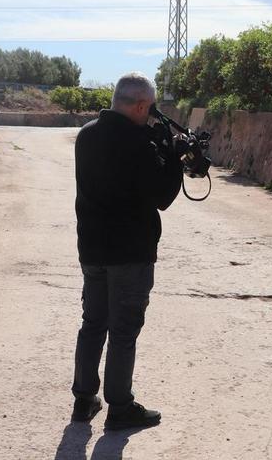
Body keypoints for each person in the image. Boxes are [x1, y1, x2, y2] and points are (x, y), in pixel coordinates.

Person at [70, 73, 183, 430]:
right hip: (130, 254)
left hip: (92, 249)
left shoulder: (86, 135)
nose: (150, 116)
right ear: (138, 105)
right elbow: (162, 197)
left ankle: (84, 400)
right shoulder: (139, 144)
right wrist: (175, 158)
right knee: (123, 332)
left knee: (93, 324)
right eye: (148, 109)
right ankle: (120, 407)